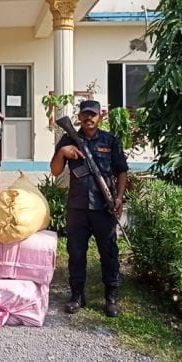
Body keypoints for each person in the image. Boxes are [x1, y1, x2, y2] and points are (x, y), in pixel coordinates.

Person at [50, 99, 128, 317]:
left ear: (99, 117)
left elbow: (122, 171)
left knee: (109, 253)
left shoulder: (110, 140)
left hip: (104, 208)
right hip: (78, 208)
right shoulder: (68, 140)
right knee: (76, 254)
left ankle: (111, 298)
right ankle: (77, 296)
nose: (89, 118)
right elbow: (55, 171)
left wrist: (119, 198)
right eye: (85, 114)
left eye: (93, 114)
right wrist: (62, 152)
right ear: (79, 117)